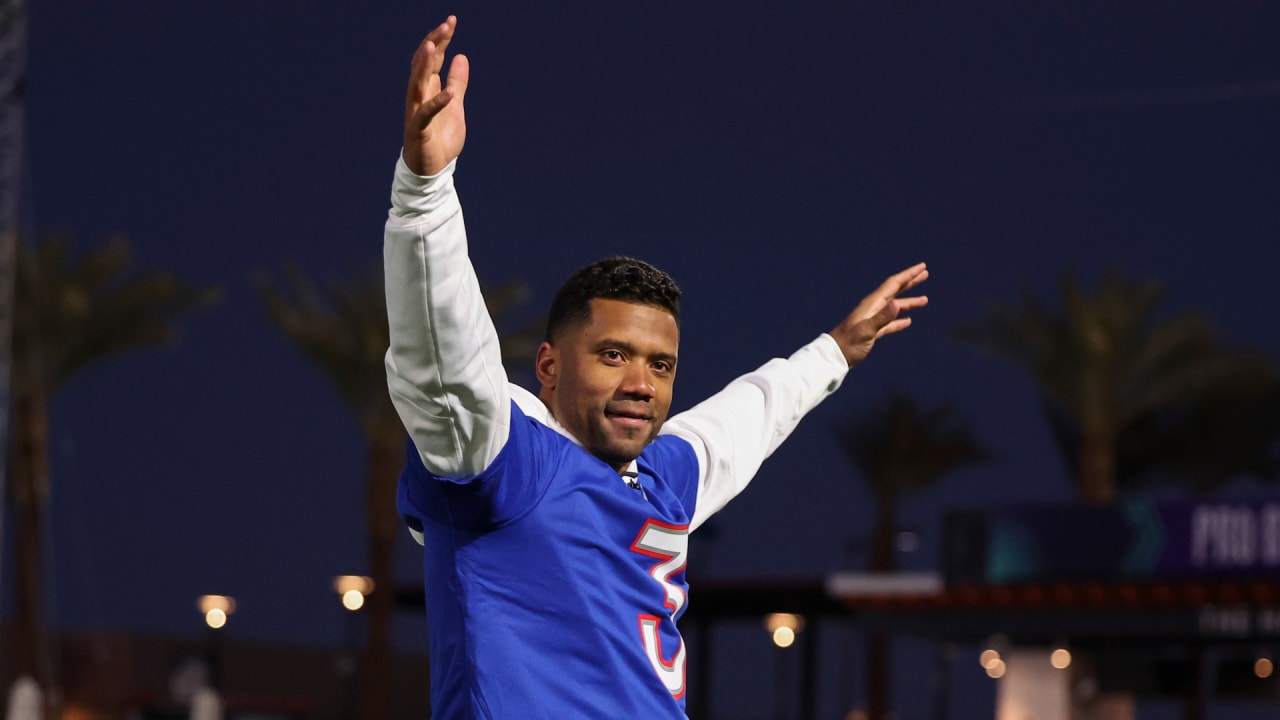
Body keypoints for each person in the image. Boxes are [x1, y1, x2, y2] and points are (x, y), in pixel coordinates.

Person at [384, 16, 929, 719]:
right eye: (613, 356)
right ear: (548, 366)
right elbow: (443, 364)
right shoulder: (506, 463)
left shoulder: (662, 486)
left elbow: (743, 419)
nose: (642, 383)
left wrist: (834, 352)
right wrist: (425, 190)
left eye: (661, 365)